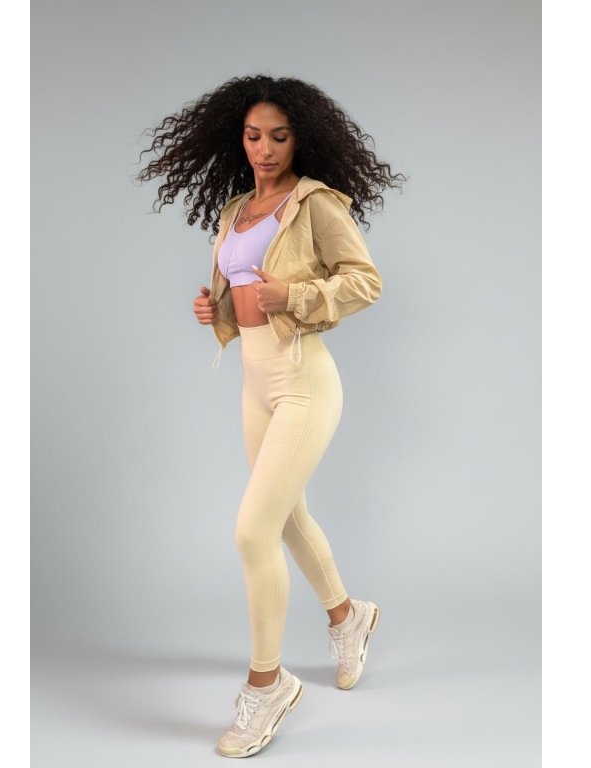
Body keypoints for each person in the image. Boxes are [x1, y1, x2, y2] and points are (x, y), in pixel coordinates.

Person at [135, 74, 405, 758]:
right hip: (255, 383)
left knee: (252, 531)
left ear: (299, 140)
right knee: (285, 518)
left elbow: (365, 281)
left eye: (279, 137)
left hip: (304, 381)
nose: (264, 149)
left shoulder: (314, 204)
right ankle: (348, 616)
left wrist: (293, 294)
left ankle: (267, 684)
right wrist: (216, 310)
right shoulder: (236, 211)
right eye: (254, 136)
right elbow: (242, 299)